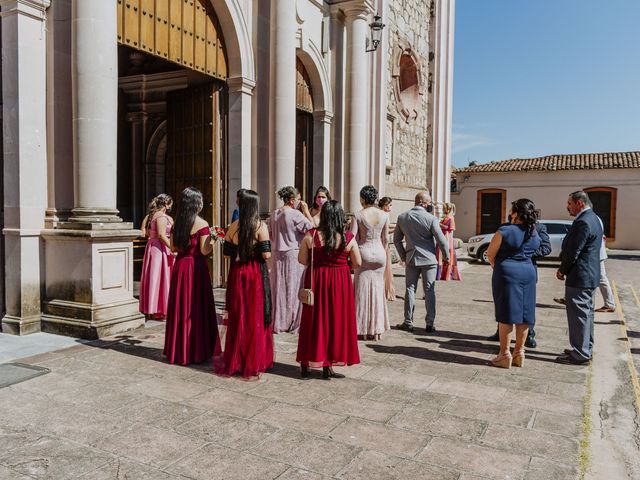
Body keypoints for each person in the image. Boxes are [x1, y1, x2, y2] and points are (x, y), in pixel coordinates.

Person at [296, 200, 361, 379]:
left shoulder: (311, 235)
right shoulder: (348, 238)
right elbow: (358, 263)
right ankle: (328, 364)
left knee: (313, 321)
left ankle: (305, 363)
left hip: (316, 279)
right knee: (335, 320)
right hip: (340, 281)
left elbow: (302, 259)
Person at [215, 190, 274, 378]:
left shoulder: (233, 227)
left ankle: (237, 358)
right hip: (254, 273)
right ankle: (254, 360)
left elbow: (226, 255)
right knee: (254, 315)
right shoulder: (260, 226)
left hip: (237, 272)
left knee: (238, 315)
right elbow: (266, 255)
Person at [164, 187, 220, 365]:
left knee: (181, 307)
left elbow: (173, 248)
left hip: (180, 267)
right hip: (196, 268)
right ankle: (197, 349)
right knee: (196, 308)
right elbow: (204, 251)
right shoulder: (202, 224)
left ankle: (180, 349)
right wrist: (213, 239)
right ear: (196, 203)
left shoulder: (176, 224)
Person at [486, 199, 541, 369]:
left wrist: (499, 265)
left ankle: (504, 354)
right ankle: (519, 352)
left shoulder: (504, 230)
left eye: (511, 210)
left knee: (506, 313)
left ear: (516, 213)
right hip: (528, 272)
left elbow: (490, 254)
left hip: (507, 273)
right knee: (525, 314)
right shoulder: (534, 232)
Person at [487, 217, 551, 348]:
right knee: (506, 304)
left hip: (527, 268)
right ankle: (501, 333)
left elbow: (546, 248)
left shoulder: (538, 228)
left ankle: (529, 335)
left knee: (526, 306)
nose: (511, 215)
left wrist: (526, 253)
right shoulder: (506, 227)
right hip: (508, 272)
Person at [555, 191, 603, 365]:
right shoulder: (594, 218)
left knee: (578, 316)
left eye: (569, 203)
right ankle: (584, 348)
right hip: (589, 275)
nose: (567, 206)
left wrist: (562, 269)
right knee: (587, 315)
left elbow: (574, 251)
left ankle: (580, 354)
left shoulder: (583, 222)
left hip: (580, 276)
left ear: (579, 203)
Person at [393, 192, 450, 334]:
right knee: (429, 290)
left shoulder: (402, 217)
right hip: (429, 259)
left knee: (410, 289)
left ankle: (408, 322)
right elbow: (441, 240)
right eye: (429, 202)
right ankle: (430, 323)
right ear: (422, 202)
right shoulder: (431, 218)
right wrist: (446, 257)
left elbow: (396, 240)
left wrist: (403, 256)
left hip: (411, 258)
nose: (430, 205)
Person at [270, 186, 313, 333]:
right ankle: (292, 319)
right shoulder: (295, 214)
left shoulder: (274, 213)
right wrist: (306, 212)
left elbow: (270, 235)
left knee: (278, 287)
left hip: (277, 253)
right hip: (292, 253)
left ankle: (279, 320)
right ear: (292, 200)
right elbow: (312, 229)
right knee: (293, 287)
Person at [351, 185, 390, 340]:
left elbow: (352, 237)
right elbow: (386, 239)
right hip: (380, 253)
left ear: (362, 199)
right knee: (378, 291)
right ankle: (377, 328)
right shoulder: (384, 215)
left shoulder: (358, 215)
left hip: (363, 252)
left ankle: (361, 328)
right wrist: (383, 251)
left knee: (361, 291)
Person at [139, 194, 174, 320]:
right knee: (159, 276)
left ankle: (153, 306)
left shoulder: (150, 216)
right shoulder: (161, 216)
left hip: (153, 246)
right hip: (160, 248)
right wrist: (172, 247)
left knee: (154, 276)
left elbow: (144, 232)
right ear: (167, 204)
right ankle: (158, 309)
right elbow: (161, 234)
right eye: (171, 204)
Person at [437, 202, 462, 281]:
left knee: (446, 253)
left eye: (444, 208)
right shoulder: (444, 217)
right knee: (439, 254)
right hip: (442, 236)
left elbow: (451, 228)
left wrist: (440, 225)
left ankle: (447, 275)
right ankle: (440, 274)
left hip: (447, 237)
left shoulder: (451, 218)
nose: (443, 210)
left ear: (448, 209)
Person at [378, 197, 396, 302]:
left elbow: (388, 226)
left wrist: (396, 225)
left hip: (383, 242)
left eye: (390, 205)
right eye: (388, 205)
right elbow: (385, 230)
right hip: (383, 243)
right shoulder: (383, 214)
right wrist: (396, 228)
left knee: (387, 268)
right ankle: (386, 290)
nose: (390, 207)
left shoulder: (383, 214)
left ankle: (386, 289)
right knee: (386, 268)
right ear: (384, 205)